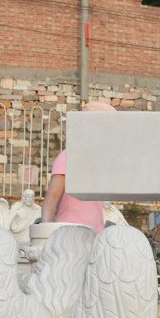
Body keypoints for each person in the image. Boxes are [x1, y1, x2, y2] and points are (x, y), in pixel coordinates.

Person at [39, 101, 115, 235]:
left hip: (95, 235)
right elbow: (52, 196)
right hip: (68, 235)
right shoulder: (68, 157)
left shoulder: (100, 160)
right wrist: (45, 233)